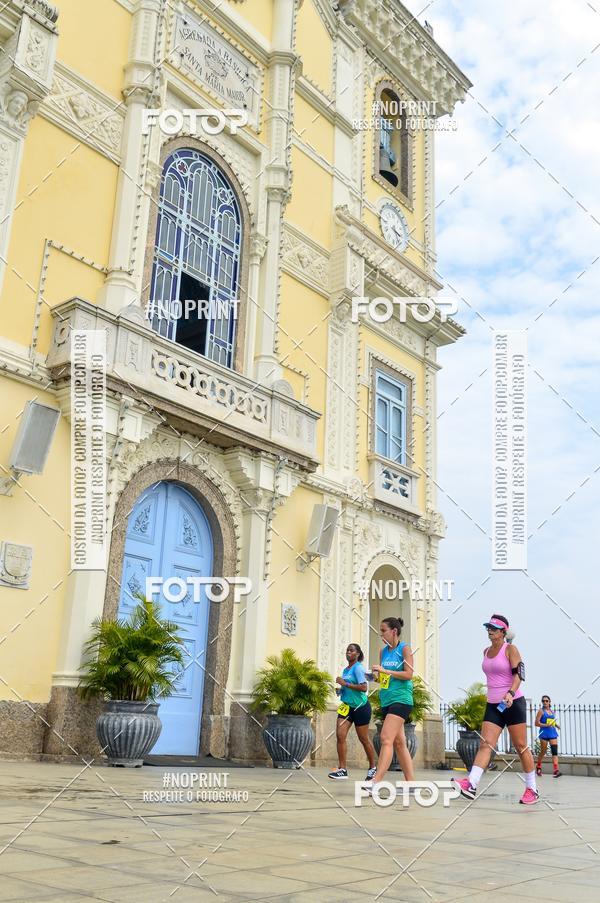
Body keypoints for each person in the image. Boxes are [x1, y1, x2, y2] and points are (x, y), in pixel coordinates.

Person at [454, 614, 539, 805]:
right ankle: (471, 784)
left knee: (520, 746)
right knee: (486, 744)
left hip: (513, 702)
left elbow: (519, 676)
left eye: (493, 628)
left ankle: (531, 789)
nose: (489, 631)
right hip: (494, 705)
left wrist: (510, 693)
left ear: (503, 632)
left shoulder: (511, 649)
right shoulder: (485, 651)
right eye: (488, 627)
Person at [368, 617, 414, 789]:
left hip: (401, 699)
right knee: (399, 743)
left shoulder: (405, 649)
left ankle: (376, 781)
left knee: (386, 738)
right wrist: (375, 675)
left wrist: (385, 670)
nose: (381, 634)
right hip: (387, 699)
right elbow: (384, 678)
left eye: (383, 630)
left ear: (394, 631)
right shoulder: (383, 651)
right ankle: (411, 784)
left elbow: (409, 674)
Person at [328, 643, 377, 781]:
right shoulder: (346, 670)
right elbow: (347, 688)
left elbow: (363, 687)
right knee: (340, 734)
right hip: (347, 707)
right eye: (347, 650)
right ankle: (342, 769)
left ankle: (373, 767)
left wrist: (345, 684)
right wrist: (341, 690)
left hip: (361, 707)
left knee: (363, 739)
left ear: (357, 654)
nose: (348, 652)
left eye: (351, 650)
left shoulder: (358, 669)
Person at [535, 695, 562, 778]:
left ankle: (556, 770)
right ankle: (538, 766)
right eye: (543, 701)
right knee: (543, 751)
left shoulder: (551, 711)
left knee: (554, 752)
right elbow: (536, 723)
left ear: (550, 702)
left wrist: (556, 725)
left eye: (546, 701)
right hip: (544, 733)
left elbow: (551, 721)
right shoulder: (541, 711)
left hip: (552, 733)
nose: (545, 702)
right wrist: (546, 725)